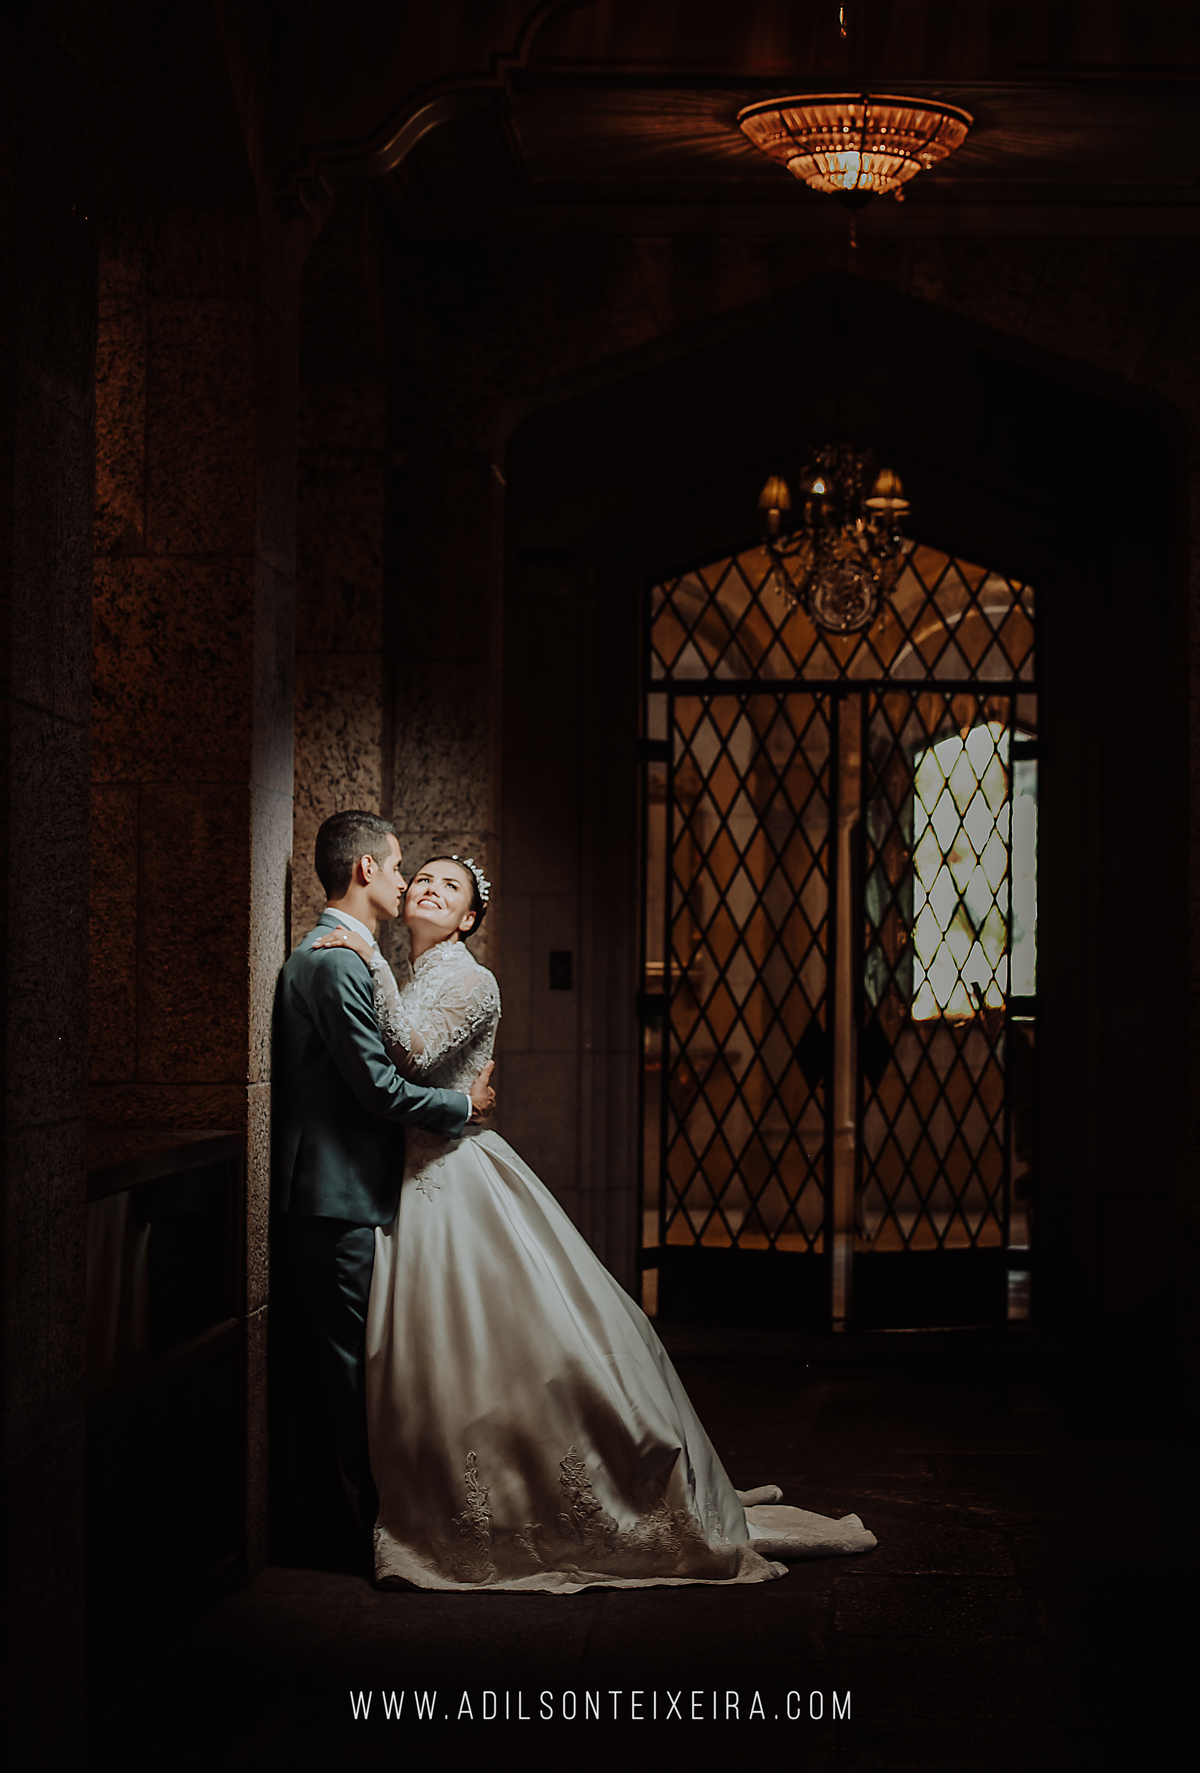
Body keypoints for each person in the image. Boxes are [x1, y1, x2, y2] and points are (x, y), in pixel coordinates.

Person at [313, 853, 876, 1591]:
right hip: (416, 1182)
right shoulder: (417, 973)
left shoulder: (469, 978)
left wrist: (363, 956)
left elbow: (413, 1050)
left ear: (470, 918)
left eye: (451, 886)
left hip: (455, 1176)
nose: (429, 888)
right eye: (422, 877)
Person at [272, 811, 495, 1531]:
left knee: (363, 1365)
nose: (411, 883)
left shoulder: (360, 957)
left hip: (359, 1191)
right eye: (406, 869)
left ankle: (381, 1512)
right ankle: (367, 1523)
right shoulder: (339, 957)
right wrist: (464, 1102)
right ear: (368, 869)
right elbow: (377, 1087)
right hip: (337, 1195)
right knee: (350, 1370)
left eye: (438, 882)